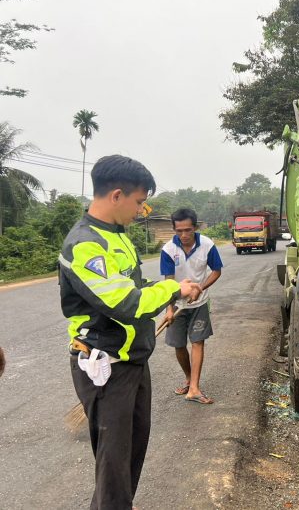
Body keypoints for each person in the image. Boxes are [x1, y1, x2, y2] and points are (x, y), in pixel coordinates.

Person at [59, 155, 202, 510]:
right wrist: (173, 291)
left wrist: (170, 285)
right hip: (105, 365)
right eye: (139, 202)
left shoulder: (118, 236)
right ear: (117, 195)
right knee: (114, 463)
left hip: (132, 360)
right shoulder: (85, 245)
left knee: (131, 452)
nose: (142, 210)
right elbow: (124, 302)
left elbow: (135, 285)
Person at [160, 208, 223, 404]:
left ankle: (194, 388)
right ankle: (189, 378)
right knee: (178, 345)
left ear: (195, 227)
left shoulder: (207, 245)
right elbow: (168, 282)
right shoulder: (168, 250)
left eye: (188, 230)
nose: (184, 235)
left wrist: (200, 288)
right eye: (179, 231)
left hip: (199, 303)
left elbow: (216, 271)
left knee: (197, 341)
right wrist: (169, 309)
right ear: (174, 230)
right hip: (177, 303)